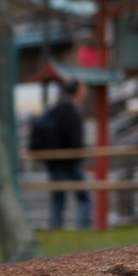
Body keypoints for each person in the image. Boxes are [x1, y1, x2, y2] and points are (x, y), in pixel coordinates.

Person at [46, 81, 92, 230]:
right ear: (78, 90)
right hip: (70, 161)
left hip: (55, 161)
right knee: (85, 197)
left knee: (58, 197)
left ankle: (55, 228)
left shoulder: (56, 109)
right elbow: (75, 139)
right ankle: (83, 228)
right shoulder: (72, 111)